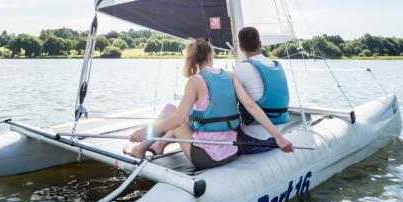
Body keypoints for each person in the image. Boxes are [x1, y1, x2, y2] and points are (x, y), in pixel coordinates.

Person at [125, 37, 293, 170]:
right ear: (211, 55)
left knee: (170, 110)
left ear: (194, 59)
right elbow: (251, 106)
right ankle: (158, 146)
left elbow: (177, 120)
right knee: (184, 117)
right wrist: (278, 137)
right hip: (232, 151)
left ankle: (139, 149)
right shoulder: (230, 76)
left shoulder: (194, 81)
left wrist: (146, 130)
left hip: (206, 158)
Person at [235, 26, 291, 155]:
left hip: (254, 141)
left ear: (241, 48)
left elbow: (230, 104)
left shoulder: (240, 71)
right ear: (260, 44)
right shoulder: (277, 66)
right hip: (277, 136)